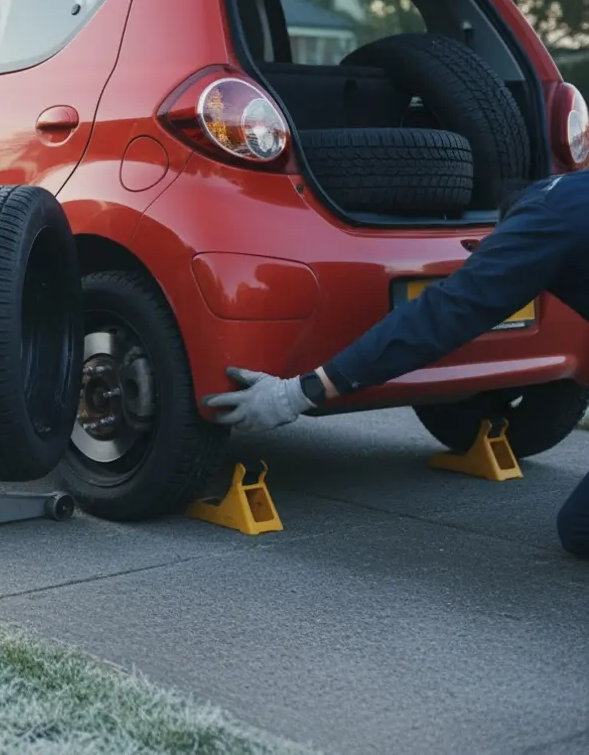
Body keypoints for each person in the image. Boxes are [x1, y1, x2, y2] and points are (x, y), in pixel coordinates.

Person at [202, 170, 589, 559]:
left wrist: (294, 395)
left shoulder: (542, 223)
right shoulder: (574, 190)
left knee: (578, 529)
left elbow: (439, 316)